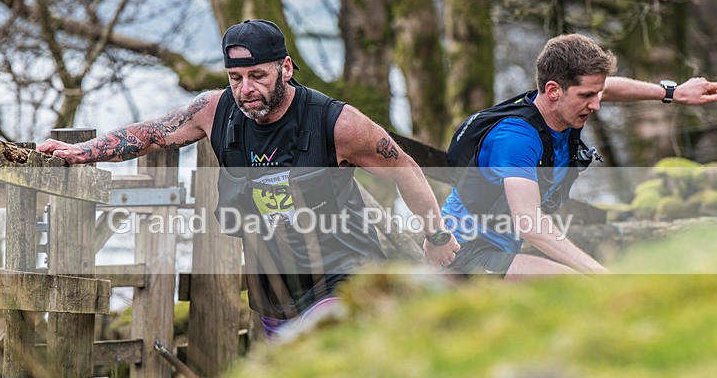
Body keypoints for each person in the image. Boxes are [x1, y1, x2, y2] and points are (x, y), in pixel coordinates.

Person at [38, 19, 459, 338]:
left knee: (320, 370)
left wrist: (437, 237)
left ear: (286, 68)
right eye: (236, 78)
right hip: (272, 289)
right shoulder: (214, 110)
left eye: (258, 75)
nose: (246, 90)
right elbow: (151, 133)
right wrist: (82, 153)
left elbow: (404, 167)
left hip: (342, 276)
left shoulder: (337, 123)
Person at [442, 33, 717, 278]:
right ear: (554, 90)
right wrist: (600, 274)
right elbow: (529, 224)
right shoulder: (516, 139)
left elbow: (608, 88)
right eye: (586, 96)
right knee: (579, 287)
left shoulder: (562, 103)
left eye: (597, 93)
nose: (596, 105)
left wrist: (672, 93)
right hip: (462, 253)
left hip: (501, 247)